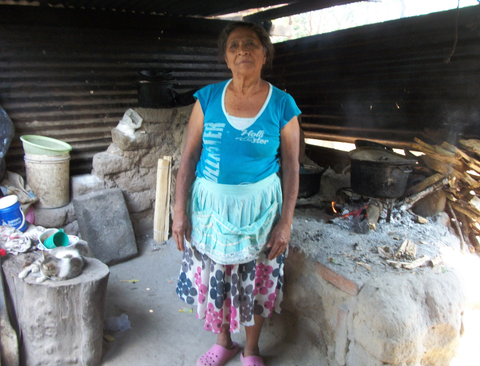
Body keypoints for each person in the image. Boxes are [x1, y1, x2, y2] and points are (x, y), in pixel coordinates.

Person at [172, 20, 300, 366]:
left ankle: (251, 349)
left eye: (251, 44)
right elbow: (188, 157)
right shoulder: (208, 98)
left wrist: (285, 222)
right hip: (210, 210)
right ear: (225, 58)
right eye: (234, 46)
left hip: (260, 212)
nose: (242, 49)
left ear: (264, 54)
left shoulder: (282, 105)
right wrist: (179, 211)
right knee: (219, 277)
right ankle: (223, 341)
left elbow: (291, 166)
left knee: (255, 279)